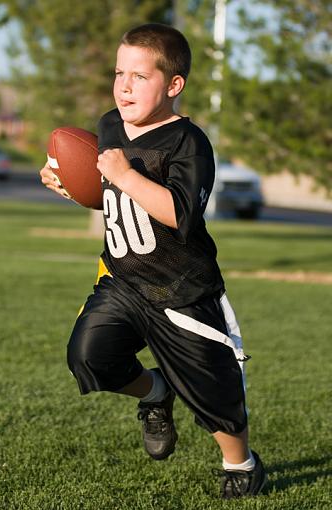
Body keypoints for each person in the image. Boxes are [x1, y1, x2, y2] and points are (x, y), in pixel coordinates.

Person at [40, 23, 267, 499]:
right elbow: (115, 202)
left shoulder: (188, 142)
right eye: (119, 73)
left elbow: (179, 215)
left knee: (213, 394)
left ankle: (241, 463)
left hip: (181, 288)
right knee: (89, 356)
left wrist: (121, 173)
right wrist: (74, 187)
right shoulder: (107, 125)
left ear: (174, 85)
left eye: (140, 77)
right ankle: (154, 392)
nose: (125, 85)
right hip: (123, 280)